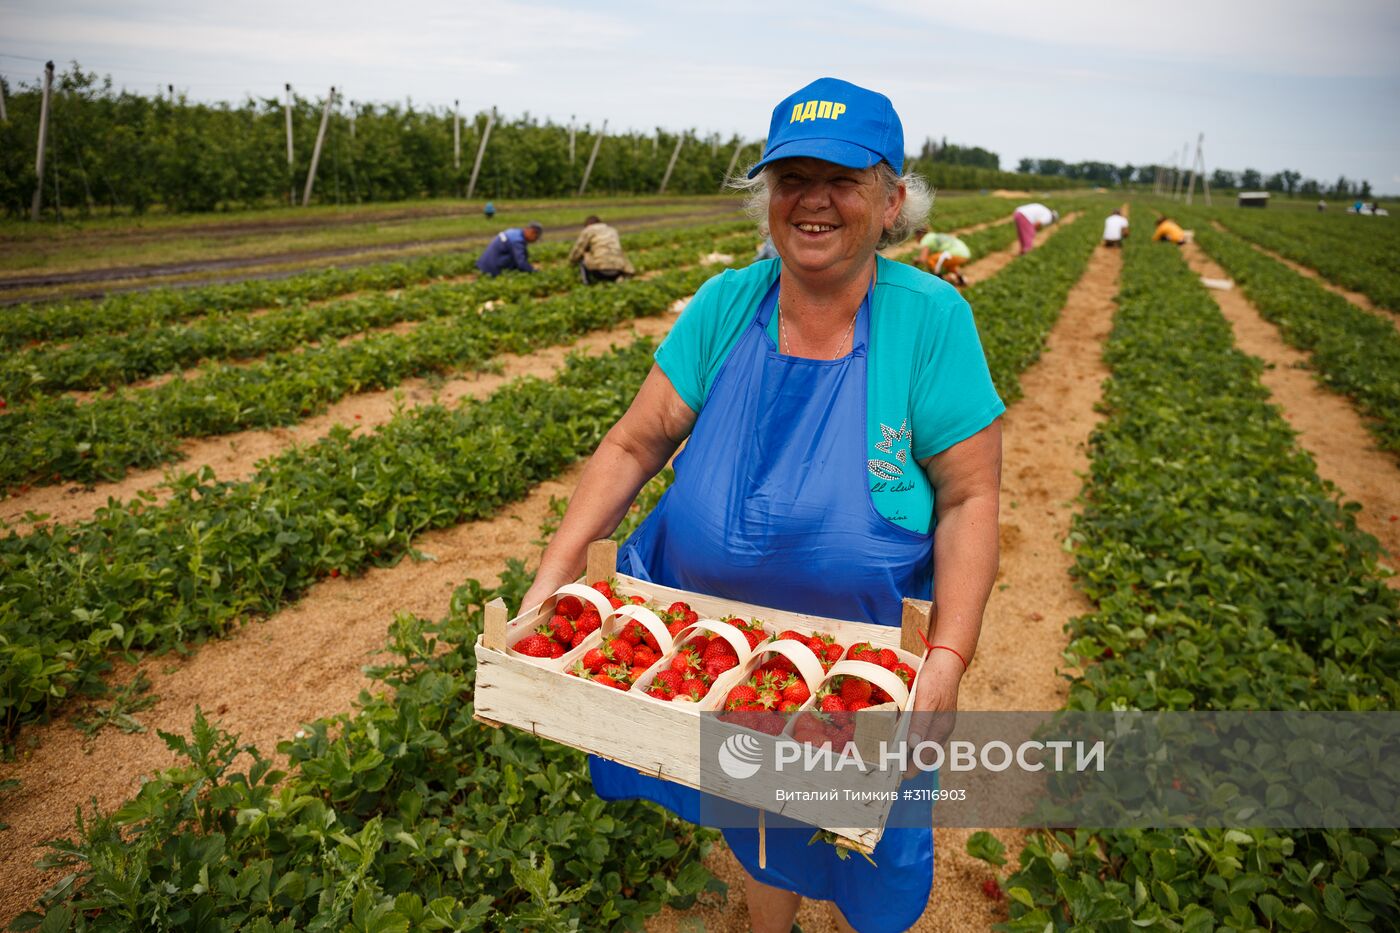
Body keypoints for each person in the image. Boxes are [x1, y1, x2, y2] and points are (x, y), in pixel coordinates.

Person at [520, 77, 1003, 933]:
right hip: (721, 653)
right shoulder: (725, 305)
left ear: (891, 200)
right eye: (791, 179)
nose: (813, 200)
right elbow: (634, 441)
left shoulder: (931, 321)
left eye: (842, 179)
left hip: (860, 678)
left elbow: (970, 498)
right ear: (767, 198)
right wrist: (551, 581)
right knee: (758, 818)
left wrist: (951, 657)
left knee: (863, 840)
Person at [567, 215, 636, 285]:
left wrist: (570, 263)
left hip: (600, 271)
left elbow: (577, 251)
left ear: (588, 225)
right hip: (618, 271)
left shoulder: (588, 230)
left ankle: (587, 284)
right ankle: (618, 281)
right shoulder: (612, 230)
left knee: (582, 255)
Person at [475, 222, 542, 276]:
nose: (534, 241)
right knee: (517, 263)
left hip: (483, 264)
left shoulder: (515, 232)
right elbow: (521, 262)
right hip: (491, 269)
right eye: (536, 237)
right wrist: (534, 272)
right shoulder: (517, 241)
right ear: (532, 232)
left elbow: (524, 255)